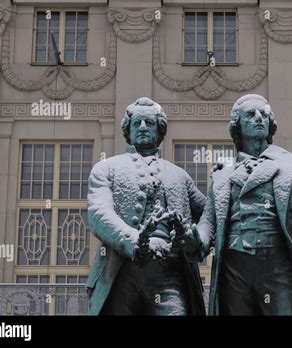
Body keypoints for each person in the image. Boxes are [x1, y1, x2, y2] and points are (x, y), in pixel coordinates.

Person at [182, 94, 292, 315]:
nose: (259, 118)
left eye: (264, 114)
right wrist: (194, 238)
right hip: (234, 270)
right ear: (237, 125)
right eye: (251, 114)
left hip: (278, 268)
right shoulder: (222, 174)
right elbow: (208, 222)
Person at [85, 97, 206, 315]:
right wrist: (135, 242)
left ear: (159, 131)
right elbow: (98, 213)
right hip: (122, 271)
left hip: (170, 274)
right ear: (127, 130)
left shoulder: (180, 176)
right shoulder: (106, 169)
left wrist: (196, 240)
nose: (142, 127)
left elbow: (209, 214)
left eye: (149, 123)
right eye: (137, 123)